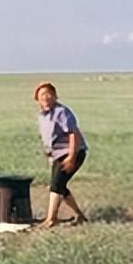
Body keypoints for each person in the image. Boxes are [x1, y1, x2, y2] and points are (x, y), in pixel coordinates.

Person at [33, 82, 88, 229]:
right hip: (57, 154)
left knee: (56, 185)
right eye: (42, 94)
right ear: (37, 99)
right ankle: (80, 216)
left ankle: (51, 219)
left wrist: (71, 156)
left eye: (49, 93)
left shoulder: (62, 112)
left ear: (55, 96)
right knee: (60, 186)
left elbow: (72, 133)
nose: (46, 96)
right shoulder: (42, 116)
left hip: (72, 151)